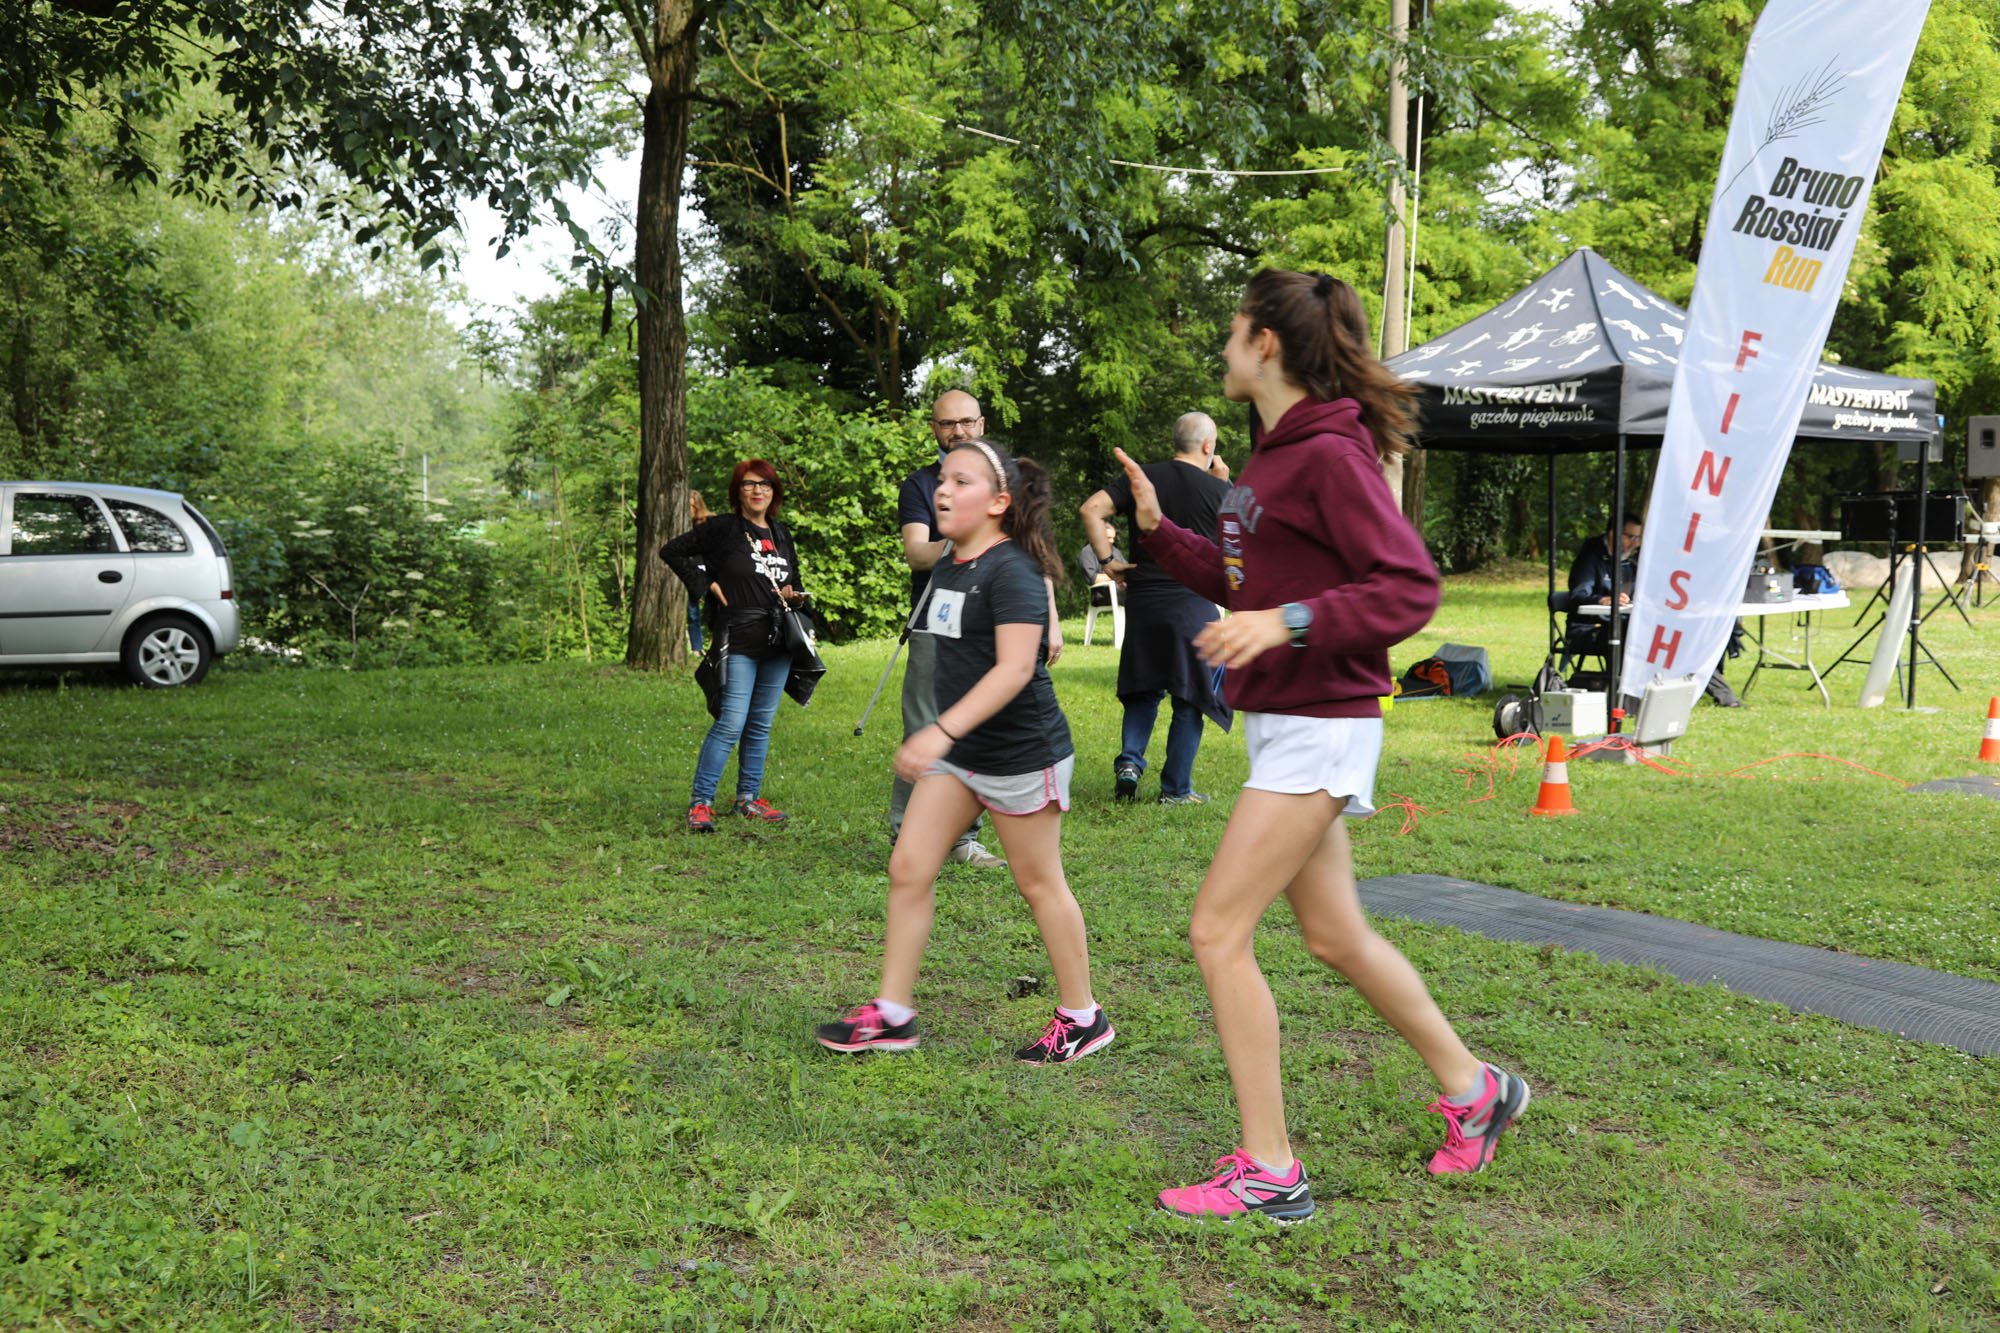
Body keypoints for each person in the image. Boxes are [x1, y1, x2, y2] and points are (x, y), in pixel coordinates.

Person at [1124, 270, 1531, 1224]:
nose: (1224, 345)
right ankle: (1477, 1089)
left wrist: (1288, 623)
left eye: (1234, 328)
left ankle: (1269, 1170)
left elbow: (1408, 586)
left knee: (1217, 930)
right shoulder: (1273, 457)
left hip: (1322, 723)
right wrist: (1158, 534)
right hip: (1288, 722)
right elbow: (1245, 580)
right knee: (1334, 934)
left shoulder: (1331, 453)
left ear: (1266, 341)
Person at [817, 438, 1114, 1065]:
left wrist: (938, 731)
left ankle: (1084, 1017)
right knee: (909, 866)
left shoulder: (1013, 571)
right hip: (961, 754)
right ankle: (893, 1012)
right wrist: (949, 737)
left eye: (961, 482)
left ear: (999, 502)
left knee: (1039, 883)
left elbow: (1014, 670)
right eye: (942, 480)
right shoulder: (950, 563)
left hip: (1021, 754)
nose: (943, 491)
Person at [889, 390, 1063, 868]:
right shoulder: (921, 485)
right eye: (947, 424)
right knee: (926, 727)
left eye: (966, 421)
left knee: (981, 726)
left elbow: (1034, 551)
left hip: (997, 622)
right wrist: (967, 536)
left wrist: (1050, 617)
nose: (958, 431)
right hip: (936, 623)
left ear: (982, 424)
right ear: (934, 429)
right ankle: (907, 835)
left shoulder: (1008, 484)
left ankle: (963, 839)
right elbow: (916, 553)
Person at [1080, 411, 1233, 805]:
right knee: (1189, 698)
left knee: (1143, 688)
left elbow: (1090, 509)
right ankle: (1176, 790)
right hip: (1193, 603)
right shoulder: (1219, 491)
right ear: (1208, 446)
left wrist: (1108, 561)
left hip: (1144, 599)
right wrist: (1223, 485)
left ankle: (1130, 764)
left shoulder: (1142, 478)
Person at [661, 460, 807, 832]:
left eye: (765, 484)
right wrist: (705, 583)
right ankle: (701, 803)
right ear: (737, 491)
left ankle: (748, 799)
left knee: (760, 724)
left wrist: (794, 595)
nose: (758, 491)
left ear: (774, 492)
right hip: (739, 637)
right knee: (730, 723)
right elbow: (672, 551)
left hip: (778, 640)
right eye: (749, 484)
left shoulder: (781, 532)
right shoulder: (723, 528)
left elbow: (793, 578)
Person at [1564, 512, 1741, 705]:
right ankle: (1631, 696)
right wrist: (1603, 600)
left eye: (1637, 538)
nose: (1634, 543)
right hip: (1590, 629)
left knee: (1682, 634)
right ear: (1613, 533)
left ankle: (1720, 694)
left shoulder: (1632, 561)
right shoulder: (1590, 558)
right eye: (1630, 537)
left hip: (1629, 624)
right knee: (1636, 634)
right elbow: (1577, 596)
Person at [685, 489, 714, 652]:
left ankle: (716, 644)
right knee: (692, 612)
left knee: (714, 610)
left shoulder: (709, 521)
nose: (690, 510)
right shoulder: (683, 524)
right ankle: (697, 647)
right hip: (691, 570)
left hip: (709, 570)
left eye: (692, 506)